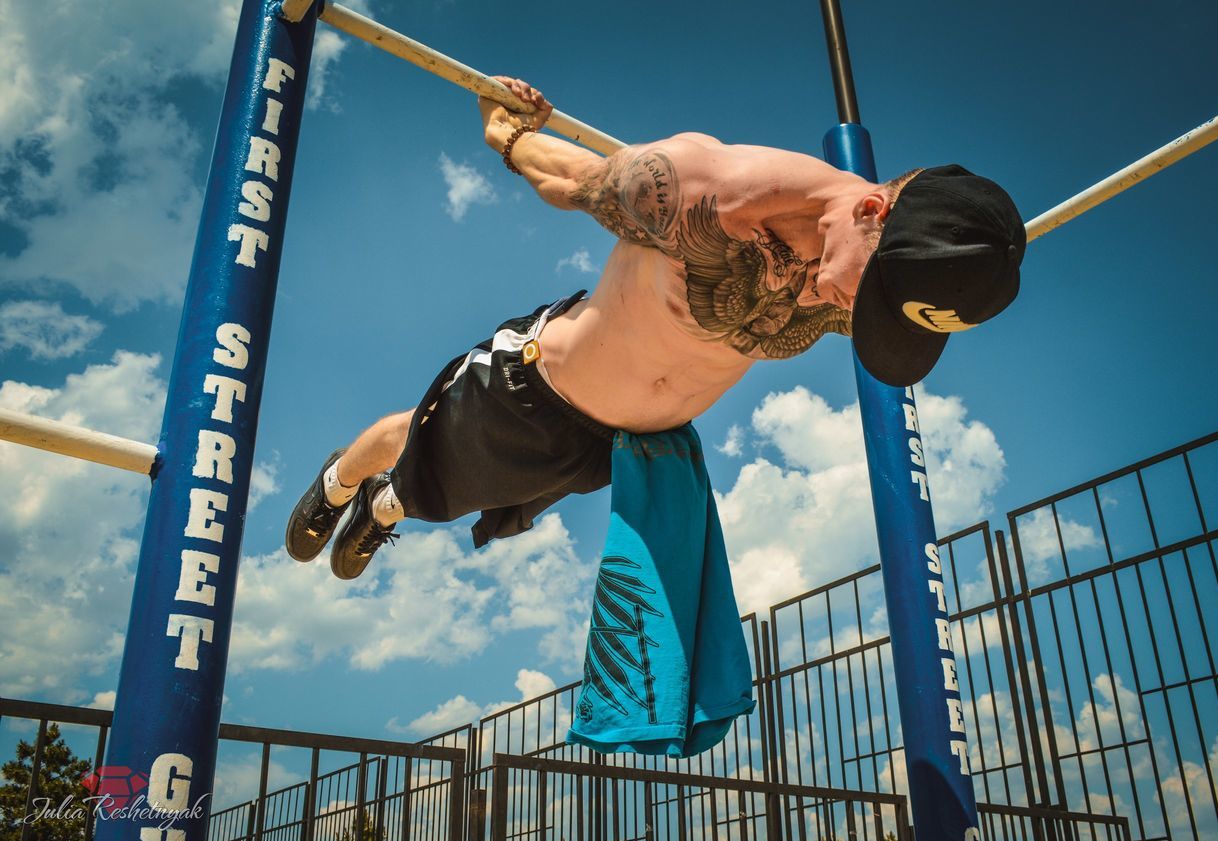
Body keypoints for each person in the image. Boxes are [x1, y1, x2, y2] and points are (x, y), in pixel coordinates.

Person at [286, 77, 1026, 578]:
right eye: (871, 292)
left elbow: (896, 290)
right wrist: (505, 133)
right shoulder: (707, 189)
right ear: (868, 210)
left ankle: (387, 505)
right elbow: (570, 180)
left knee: (454, 499)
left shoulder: (850, 278)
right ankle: (339, 479)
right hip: (539, 383)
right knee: (417, 443)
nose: (847, 306)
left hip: (615, 446)